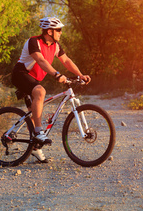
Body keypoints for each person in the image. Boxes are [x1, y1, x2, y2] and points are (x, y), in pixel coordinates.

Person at [11, 17, 91, 163]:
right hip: (20, 75)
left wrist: (80, 75)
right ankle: (38, 132)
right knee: (40, 92)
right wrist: (56, 74)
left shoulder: (56, 46)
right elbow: (41, 61)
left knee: (36, 111)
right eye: (58, 30)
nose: (61, 32)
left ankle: (35, 147)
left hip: (33, 79)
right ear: (49, 31)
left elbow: (66, 61)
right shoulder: (33, 42)